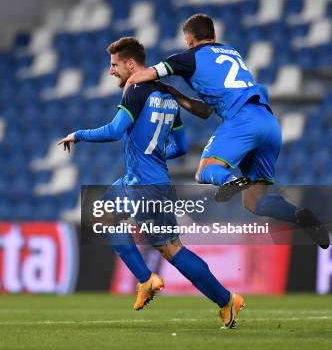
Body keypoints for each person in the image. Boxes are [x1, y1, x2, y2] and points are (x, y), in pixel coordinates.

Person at [58, 37, 243, 329]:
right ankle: (225, 300)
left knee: (167, 247)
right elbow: (180, 147)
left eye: (114, 65)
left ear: (131, 64)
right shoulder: (168, 95)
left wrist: (78, 134)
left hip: (143, 183)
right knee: (118, 220)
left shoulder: (136, 88)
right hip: (152, 180)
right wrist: (154, 154)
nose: (111, 71)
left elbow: (115, 130)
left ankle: (149, 280)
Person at [126, 14, 329, 249]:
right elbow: (205, 112)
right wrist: (176, 94)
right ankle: (300, 215)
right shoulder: (232, 52)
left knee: (205, 171)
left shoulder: (188, 58)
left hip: (242, 120)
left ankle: (231, 181)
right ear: (213, 35)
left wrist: (129, 85)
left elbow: (142, 77)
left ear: (189, 39)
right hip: (269, 122)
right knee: (254, 203)